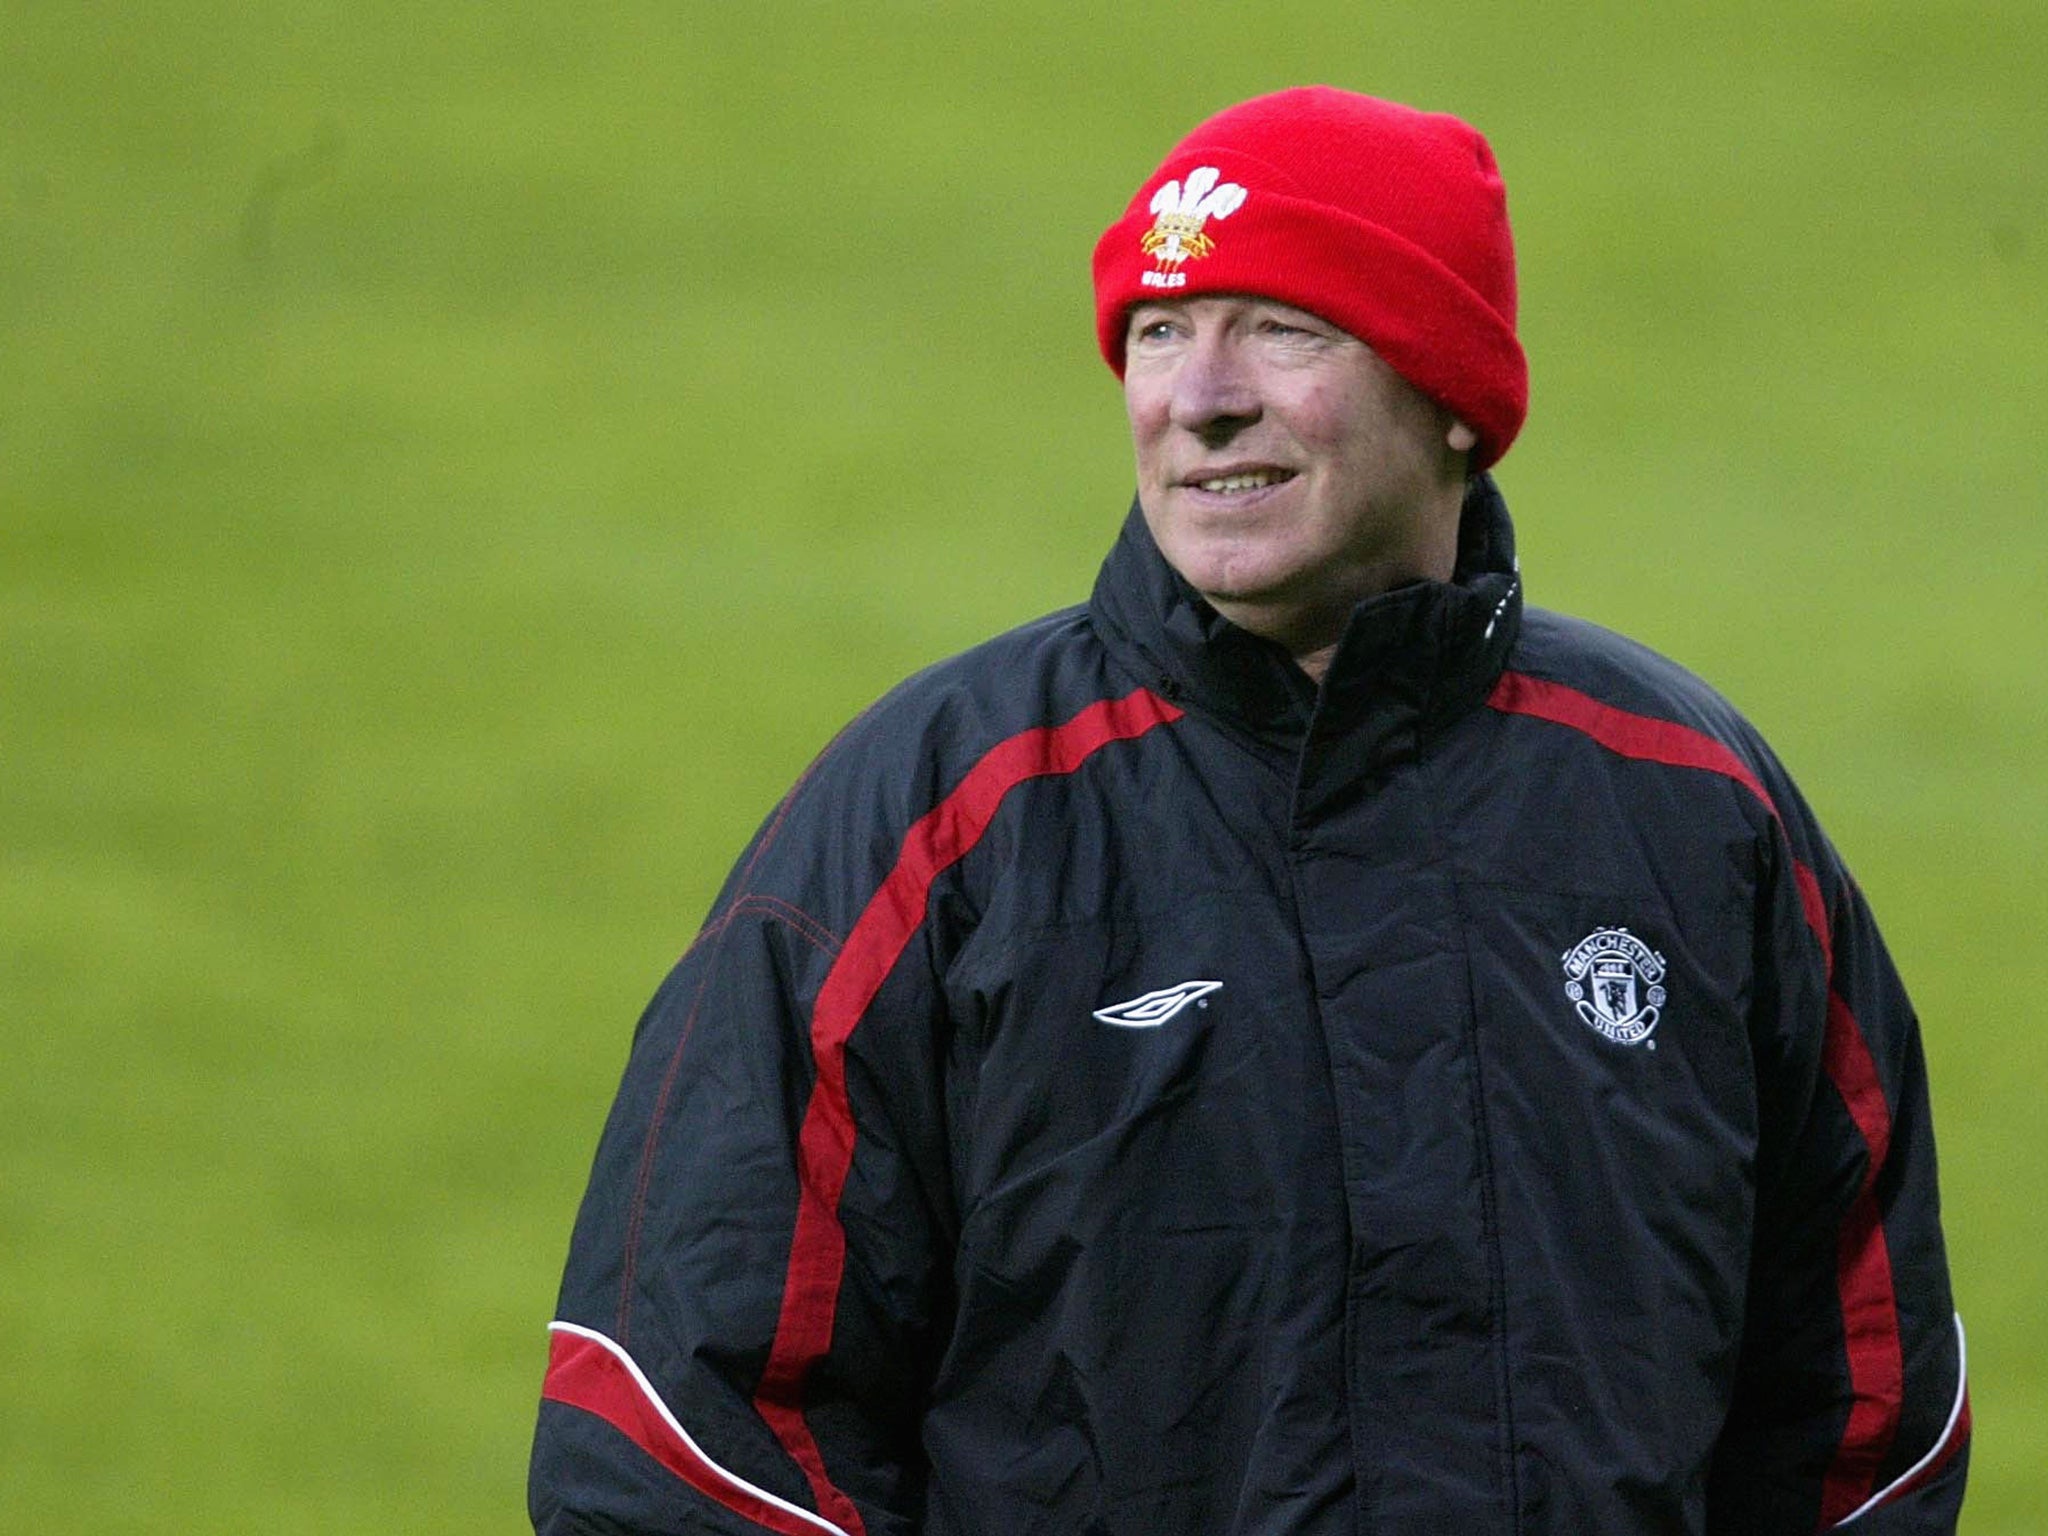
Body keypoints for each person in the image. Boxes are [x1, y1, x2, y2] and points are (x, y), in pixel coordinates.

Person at [528, 87, 1969, 1534]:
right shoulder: (934, 823)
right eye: (1159, 330)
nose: (1198, 395)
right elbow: (680, 1441)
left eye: (1284, 327)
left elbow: (1867, 1424)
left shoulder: (1695, 810)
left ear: (1456, 395)